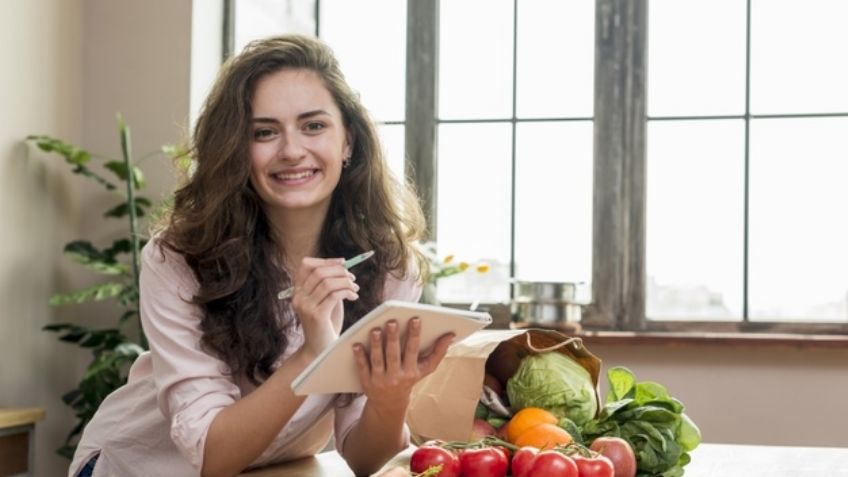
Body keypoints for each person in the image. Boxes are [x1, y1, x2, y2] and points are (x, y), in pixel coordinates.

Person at [68, 34, 454, 477]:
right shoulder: (178, 258)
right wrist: (312, 354)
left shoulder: (387, 267)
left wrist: (390, 398)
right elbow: (212, 457)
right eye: (264, 132)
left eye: (313, 126)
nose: (291, 151)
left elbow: (367, 461)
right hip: (139, 467)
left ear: (348, 140)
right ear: (237, 148)